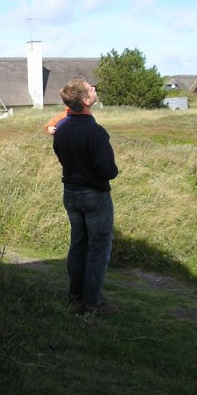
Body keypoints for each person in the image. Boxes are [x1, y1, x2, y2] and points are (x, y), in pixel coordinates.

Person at [52, 76, 119, 315]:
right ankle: (93, 304)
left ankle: (75, 297)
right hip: (94, 195)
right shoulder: (96, 132)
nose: (94, 89)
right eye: (91, 88)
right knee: (98, 249)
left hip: (70, 193)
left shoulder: (60, 130)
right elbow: (108, 171)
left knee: (78, 246)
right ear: (86, 99)